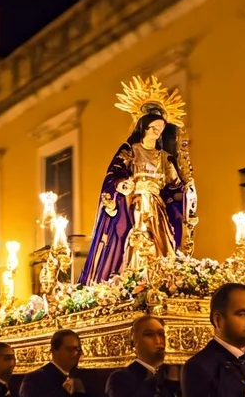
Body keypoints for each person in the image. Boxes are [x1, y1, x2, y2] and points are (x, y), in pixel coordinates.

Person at [79, 110, 188, 284]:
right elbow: (114, 173)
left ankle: (161, 277)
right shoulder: (130, 151)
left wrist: (185, 191)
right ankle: (134, 276)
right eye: (154, 127)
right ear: (144, 128)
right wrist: (121, 184)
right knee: (138, 237)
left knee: (161, 240)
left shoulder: (164, 158)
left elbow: (175, 184)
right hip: (135, 204)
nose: (157, 131)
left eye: (160, 128)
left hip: (156, 206)